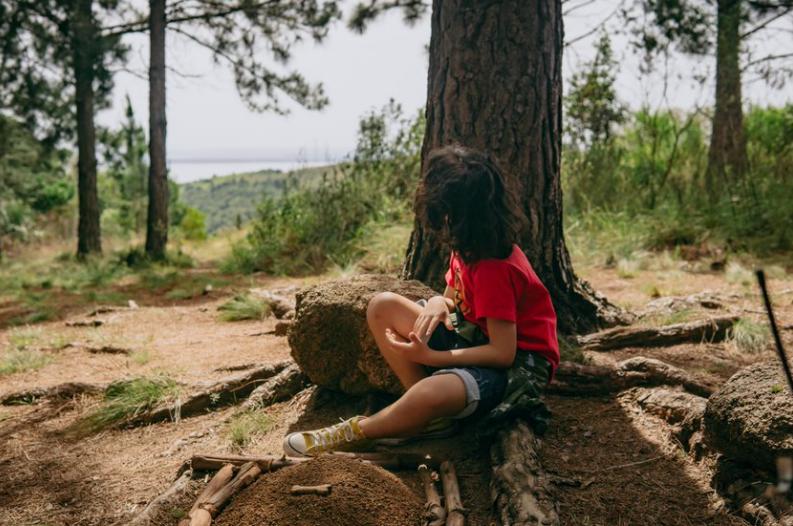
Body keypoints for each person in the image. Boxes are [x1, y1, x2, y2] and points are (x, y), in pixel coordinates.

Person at [283, 145, 559, 457]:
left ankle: (362, 430)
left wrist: (430, 357)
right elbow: (454, 295)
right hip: (474, 338)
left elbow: (503, 352)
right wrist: (439, 304)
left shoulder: (494, 267)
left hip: (516, 366)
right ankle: (430, 418)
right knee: (383, 306)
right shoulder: (469, 243)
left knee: (433, 390)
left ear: (457, 213)